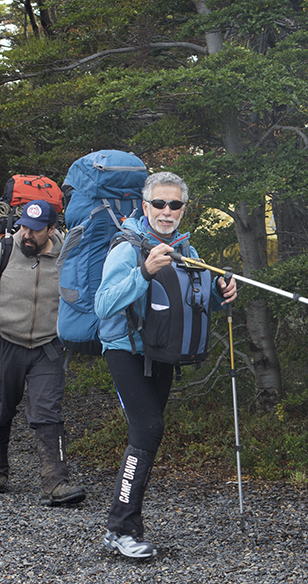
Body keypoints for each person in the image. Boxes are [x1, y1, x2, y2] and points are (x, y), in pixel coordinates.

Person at [95, 171, 237, 559]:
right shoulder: (128, 246)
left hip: (160, 353)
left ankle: (122, 526)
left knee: (148, 435)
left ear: (183, 209)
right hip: (124, 348)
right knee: (149, 428)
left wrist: (222, 295)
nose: (166, 211)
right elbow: (103, 305)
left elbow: (190, 304)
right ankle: (122, 528)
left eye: (175, 205)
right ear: (145, 206)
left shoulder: (185, 247)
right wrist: (144, 272)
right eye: (159, 203)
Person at [0, 199, 86, 506]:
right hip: (4, 341)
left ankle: (56, 483)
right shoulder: (3, 251)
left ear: (52, 229)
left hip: (48, 347)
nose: (26, 235)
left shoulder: (68, 256)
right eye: (23, 228)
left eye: (34, 230)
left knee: (48, 411)